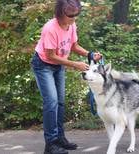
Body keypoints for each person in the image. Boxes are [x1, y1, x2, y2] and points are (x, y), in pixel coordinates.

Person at [31, 0, 101, 154]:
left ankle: (59, 139)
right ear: (61, 12)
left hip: (58, 65)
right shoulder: (50, 28)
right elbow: (51, 56)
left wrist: (89, 54)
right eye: (71, 15)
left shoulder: (71, 25)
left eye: (77, 14)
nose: (74, 18)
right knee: (51, 102)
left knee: (61, 103)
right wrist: (75, 64)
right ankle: (50, 145)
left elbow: (74, 46)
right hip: (43, 65)